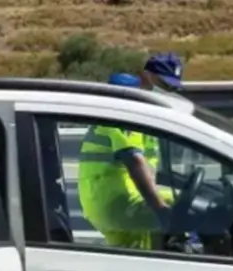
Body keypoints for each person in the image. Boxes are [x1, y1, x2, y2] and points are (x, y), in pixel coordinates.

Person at [76, 70, 179, 249]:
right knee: (183, 204)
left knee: (134, 254)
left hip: (105, 202)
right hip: (116, 201)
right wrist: (161, 209)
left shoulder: (108, 120)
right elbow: (134, 161)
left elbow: (148, 168)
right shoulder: (120, 119)